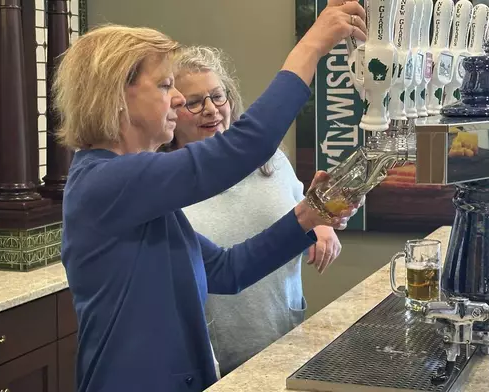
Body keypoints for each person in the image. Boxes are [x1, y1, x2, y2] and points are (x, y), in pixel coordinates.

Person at [53, 2, 367, 391]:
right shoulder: (105, 182)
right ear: (118, 95)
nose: (180, 100)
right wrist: (313, 46)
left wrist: (309, 214)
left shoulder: (134, 192)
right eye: (165, 85)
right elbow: (243, 146)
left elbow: (228, 270)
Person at [166, 45, 344, 376]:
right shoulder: (164, 186)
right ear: (171, 113)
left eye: (218, 97)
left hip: (283, 339)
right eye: (194, 102)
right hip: (216, 360)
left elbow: (299, 214)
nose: (211, 109)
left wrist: (322, 225)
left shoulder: (272, 162)